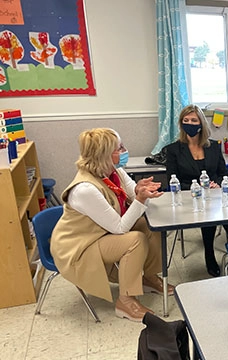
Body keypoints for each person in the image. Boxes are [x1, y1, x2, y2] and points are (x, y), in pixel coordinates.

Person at [51, 128, 172, 323]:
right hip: (79, 247)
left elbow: (134, 195)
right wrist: (141, 198)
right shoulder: (85, 189)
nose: (125, 151)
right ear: (104, 155)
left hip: (100, 233)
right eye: (119, 148)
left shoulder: (114, 171)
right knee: (135, 240)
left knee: (150, 225)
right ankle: (125, 301)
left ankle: (148, 277)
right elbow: (120, 228)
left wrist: (142, 191)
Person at [164, 104, 228, 277]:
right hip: (188, 198)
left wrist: (216, 184)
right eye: (186, 120)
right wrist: (198, 188)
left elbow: (222, 173)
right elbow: (173, 181)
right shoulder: (173, 150)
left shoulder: (214, 146)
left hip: (214, 196)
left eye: (194, 120)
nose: (190, 123)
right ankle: (210, 255)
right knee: (208, 217)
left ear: (201, 123)